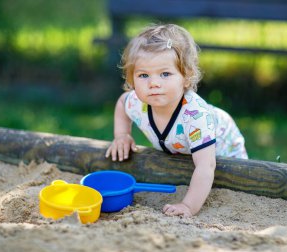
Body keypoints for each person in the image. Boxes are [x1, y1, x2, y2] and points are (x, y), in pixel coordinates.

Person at [105, 24, 248, 217]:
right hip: (182, 146)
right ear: (131, 80)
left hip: (224, 145)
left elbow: (206, 166)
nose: (153, 83)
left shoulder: (196, 117)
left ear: (186, 78)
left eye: (165, 74)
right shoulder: (137, 104)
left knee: (239, 182)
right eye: (143, 75)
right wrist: (122, 135)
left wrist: (188, 206)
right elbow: (122, 103)